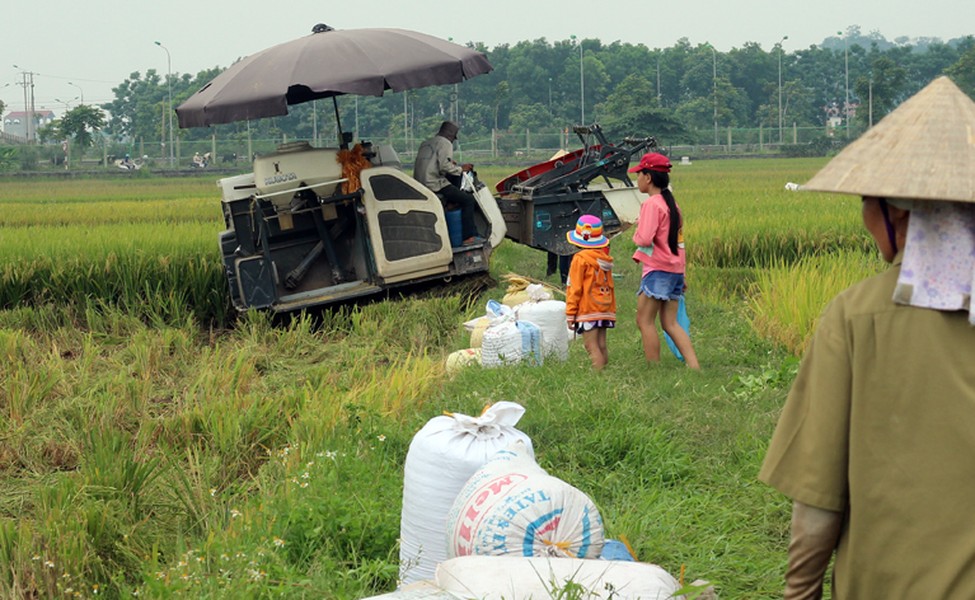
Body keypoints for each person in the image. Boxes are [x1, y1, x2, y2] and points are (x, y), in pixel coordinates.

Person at [759, 76, 975, 599]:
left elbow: (817, 501)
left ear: (897, 213)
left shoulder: (858, 316)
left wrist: (801, 593)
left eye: (866, 202)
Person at [628, 152, 700, 369]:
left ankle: (654, 367)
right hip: (674, 271)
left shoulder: (652, 204)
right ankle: (694, 366)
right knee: (670, 323)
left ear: (648, 177)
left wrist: (636, 231)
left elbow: (644, 238)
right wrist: (682, 275)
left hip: (657, 271)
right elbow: (679, 243)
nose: (637, 179)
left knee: (644, 320)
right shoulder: (672, 205)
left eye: (639, 174)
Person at [413, 121, 483, 246]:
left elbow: (435, 163)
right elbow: (444, 167)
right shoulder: (445, 143)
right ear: (452, 135)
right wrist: (462, 169)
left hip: (420, 184)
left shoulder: (426, 143)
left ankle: (451, 203)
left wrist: (453, 166)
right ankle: (468, 237)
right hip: (433, 184)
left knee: (453, 176)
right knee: (468, 200)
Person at [564, 214, 616, 370]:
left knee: (590, 345)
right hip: (605, 307)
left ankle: (598, 376)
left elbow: (575, 288)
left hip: (588, 309)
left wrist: (570, 313)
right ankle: (605, 372)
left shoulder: (579, 259)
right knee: (601, 344)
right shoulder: (604, 258)